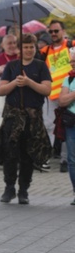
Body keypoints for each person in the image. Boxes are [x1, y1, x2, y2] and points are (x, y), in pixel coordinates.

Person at [0, 33, 51, 205]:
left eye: (32, 47)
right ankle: (9, 187)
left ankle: (24, 189)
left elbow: (46, 89)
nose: (29, 50)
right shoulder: (11, 66)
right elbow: (2, 90)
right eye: (25, 47)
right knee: (10, 154)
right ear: (19, 49)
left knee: (27, 154)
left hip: (32, 117)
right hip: (13, 116)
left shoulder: (40, 66)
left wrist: (29, 82)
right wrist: (16, 83)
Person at [39, 20, 72, 172]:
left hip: (68, 93)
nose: (53, 34)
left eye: (56, 31)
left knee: (68, 125)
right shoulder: (45, 50)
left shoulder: (71, 45)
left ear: (63, 31)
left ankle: (66, 159)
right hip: (51, 95)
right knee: (48, 125)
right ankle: (45, 157)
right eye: (50, 31)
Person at [56, 47, 75, 205]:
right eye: (71, 61)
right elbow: (62, 101)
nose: (73, 64)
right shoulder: (68, 79)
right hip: (71, 123)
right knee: (72, 159)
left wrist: (70, 95)